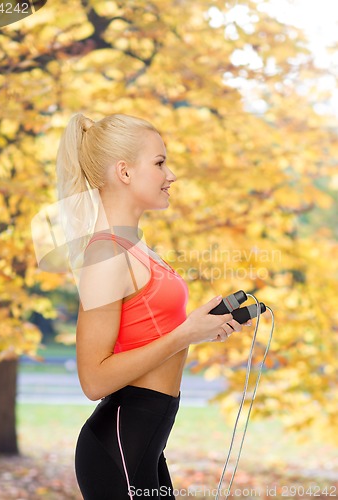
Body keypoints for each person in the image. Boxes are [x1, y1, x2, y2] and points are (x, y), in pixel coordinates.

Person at [55, 113, 252, 500]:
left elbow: (151, 332)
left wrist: (202, 327)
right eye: (160, 163)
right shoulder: (107, 253)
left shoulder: (137, 247)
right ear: (124, 172)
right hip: (118, 449)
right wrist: (185, 334)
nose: (171, 175)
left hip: (143, 447)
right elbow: (93, 381)